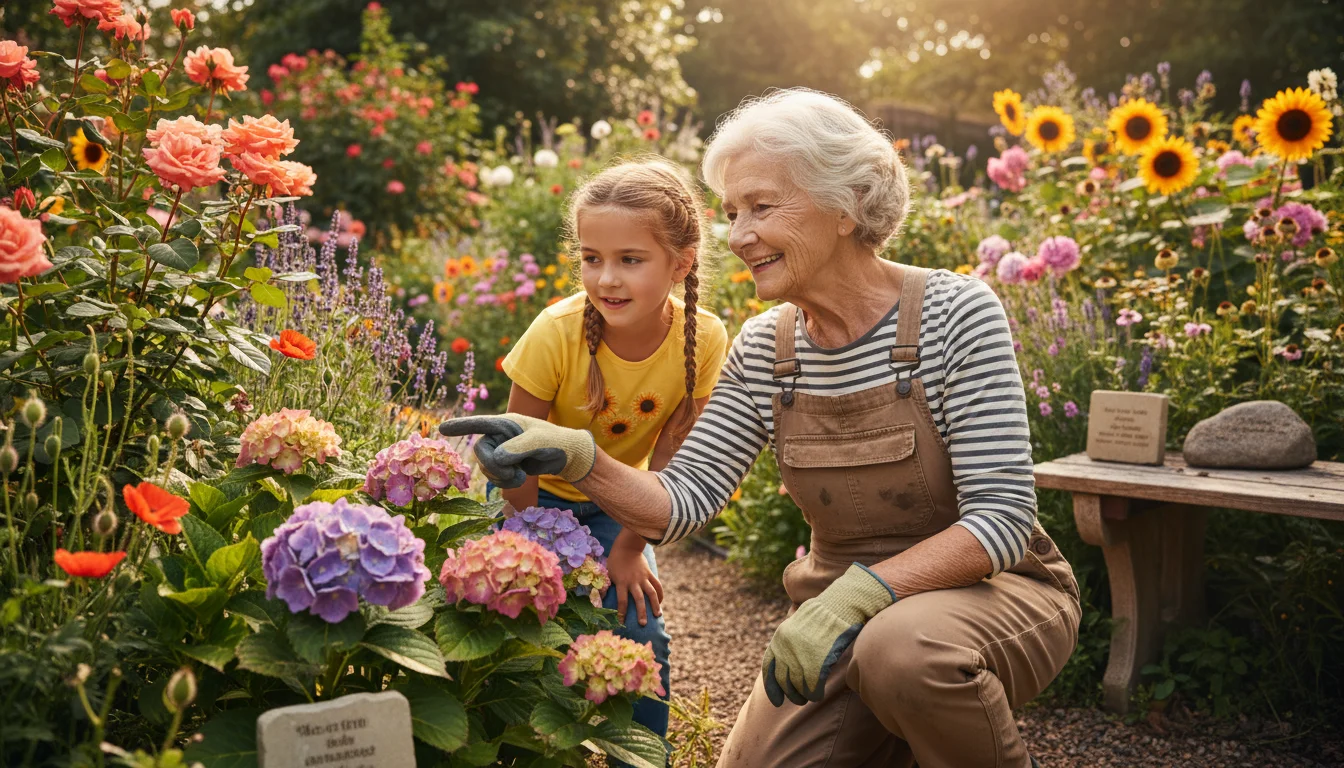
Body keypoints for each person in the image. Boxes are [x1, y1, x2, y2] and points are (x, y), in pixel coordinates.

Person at [445, 89, 1078, 768]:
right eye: (731, 213)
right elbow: (683, 502)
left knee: (901, 652)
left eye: (762, 207)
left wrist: (859, 597)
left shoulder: (955, 312)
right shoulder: (764, 348)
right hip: (833, 612)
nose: (739, 236)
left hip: (984, 596)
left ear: (848, 203)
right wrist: (582, 460)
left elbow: (1004, 520)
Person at [493, 157, 728, 763]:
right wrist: (531, 541)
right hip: (532, 501)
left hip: (620, 504)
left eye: (630, 259)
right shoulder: (555, 331)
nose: (606, 279)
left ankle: (643, 755)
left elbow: (673, 456)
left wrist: (626, 548)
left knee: (641, 629)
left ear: (681, 263)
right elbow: (512, 450)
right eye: (591, 257)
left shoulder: (704, 338)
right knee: (521, 628)